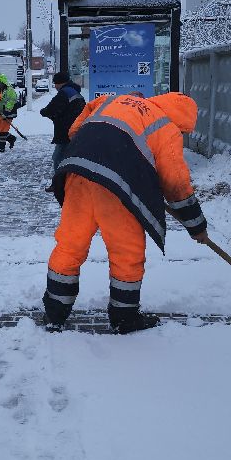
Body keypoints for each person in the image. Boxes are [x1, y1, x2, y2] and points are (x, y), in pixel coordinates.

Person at [43, 91, 209, 333]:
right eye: (184, 131)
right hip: (116, 187)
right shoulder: (166, 127)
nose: (182, 134)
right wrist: (197, 226)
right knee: (126, 252)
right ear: (182, 121)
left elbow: (75, 129)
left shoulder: (112, 100)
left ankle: (55, 313)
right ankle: (125, 318)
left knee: (70, 244)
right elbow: (176, 183)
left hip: (78, 172)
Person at [39, 71, 85, 190]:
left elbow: (51, 109)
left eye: (56, 83)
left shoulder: (64, 93)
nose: (55, 86)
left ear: (60, 83)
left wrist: (44, 112)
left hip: (65, 131)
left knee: (58, 157)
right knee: (69, 156)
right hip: (75, 130)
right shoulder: (75, 92)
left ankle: (58, 184)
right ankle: (70, 182)